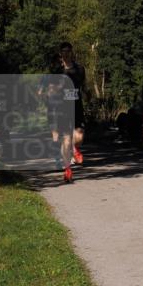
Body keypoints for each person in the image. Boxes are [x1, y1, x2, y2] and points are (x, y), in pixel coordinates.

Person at [57, 41, 87, 181]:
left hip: (77, 107)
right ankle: (67, 169)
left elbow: (83, 86)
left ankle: (75, 150)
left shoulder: (80, 69)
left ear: (71, 52)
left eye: (69, 50)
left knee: (79, 137)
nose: (66, 53)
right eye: (64, 51)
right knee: (66, 139)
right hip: (62, 109)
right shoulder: (57, 71)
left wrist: (87, 93)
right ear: (60, 53)